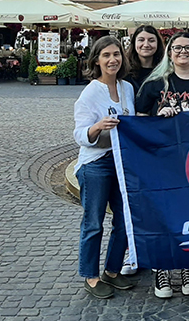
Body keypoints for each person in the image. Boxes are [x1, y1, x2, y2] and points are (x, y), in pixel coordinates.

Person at [134, 31, 189, 298]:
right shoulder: (155, 84)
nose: (183, 52)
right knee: (162, 216)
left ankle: (187, 266)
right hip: (162, 163)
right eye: (177, 48)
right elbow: (139, 123)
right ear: (169, 53)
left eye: (188, 47)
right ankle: (162, 268)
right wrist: (159, 118)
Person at [72, 36, 136, 299]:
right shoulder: (89, 92)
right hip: (96, 163)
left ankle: (112, 270)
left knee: (124, 220)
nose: (113, 60)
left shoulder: (127, 88)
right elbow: (79, 134)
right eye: (107, 55)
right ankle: (91, 275)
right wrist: (97, 127)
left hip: (121, 161)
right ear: (97, 60)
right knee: (94, 223)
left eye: (117, 54)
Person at [124, 25, 165, 90]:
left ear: (158, 43)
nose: (146, 45)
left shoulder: (165, 72)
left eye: (151, 41)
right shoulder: (125, 71)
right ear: (134, 43)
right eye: (141, 40)